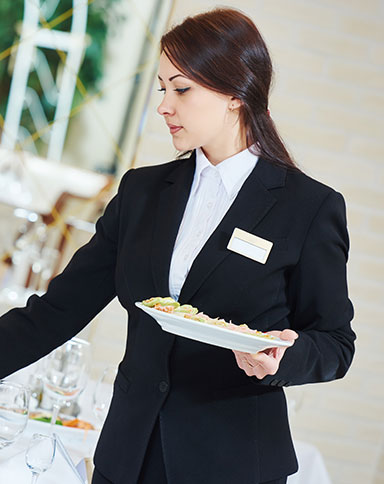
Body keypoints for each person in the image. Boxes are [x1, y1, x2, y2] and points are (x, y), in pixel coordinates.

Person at [0, 7, 355, 484]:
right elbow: (54, 313)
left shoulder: (308, 207)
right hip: (125, 458)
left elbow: (334, 342)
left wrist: (284, 356)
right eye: (162, 89)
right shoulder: (142, 193)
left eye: (181, 89)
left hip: (231, 465)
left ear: (235, 94)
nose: (164, 105)